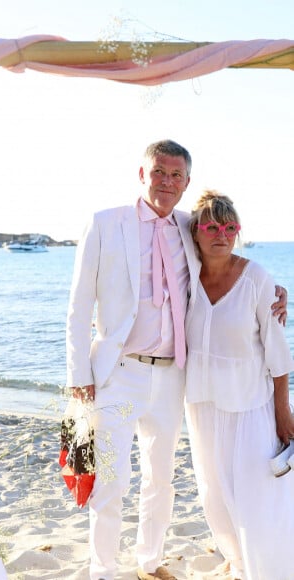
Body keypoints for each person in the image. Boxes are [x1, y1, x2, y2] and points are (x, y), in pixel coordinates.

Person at [65, 139, 287, 580]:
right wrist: (78, 376)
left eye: (176, 175)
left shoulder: (190, 224)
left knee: (160, 478)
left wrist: (276, 291)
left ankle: (149, 560)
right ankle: (102, 570)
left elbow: (226, 254)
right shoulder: (105, 224)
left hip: (172, 380)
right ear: (142, 174)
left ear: (186, 182)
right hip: (118, 374)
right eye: (159, 172)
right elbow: (77, 306)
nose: (167, 181)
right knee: (111, 479)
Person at [184, 190, 294, 580]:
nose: (221, 234)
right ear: (195, 232)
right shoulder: (185, 276)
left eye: (230, 227)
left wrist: (283, 410)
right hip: (201, 405)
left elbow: (277, 353)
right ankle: (239, 563)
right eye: (212, 226)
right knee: (214, 494)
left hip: (251, 406)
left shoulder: (257, 279)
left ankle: (270, 570)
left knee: (257, 497)